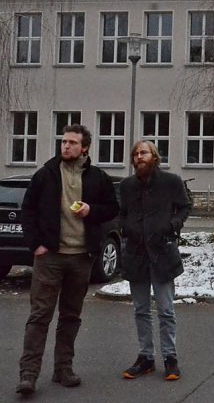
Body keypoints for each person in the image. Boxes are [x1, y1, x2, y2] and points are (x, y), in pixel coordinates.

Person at [16, 124, 118, 396]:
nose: (66, 146)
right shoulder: (46, 174)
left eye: (73, 142)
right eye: (63, 142)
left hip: (81, 258)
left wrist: (91, 210)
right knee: (39, 316)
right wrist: (35, 245)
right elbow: (28, 210)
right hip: (49, 256)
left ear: (84, 147)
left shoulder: (98, 177)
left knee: (71, 316)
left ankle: (63, 369)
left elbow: (112, 208)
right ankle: (28, 375)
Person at [119, 140, 191, 382]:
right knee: (140, 310)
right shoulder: (127, 185)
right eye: (136, 153)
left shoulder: (171, 182)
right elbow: (122, 213)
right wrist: (125, 227)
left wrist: (172, 225)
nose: (140, 156)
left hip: (162, 252)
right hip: (136, 254)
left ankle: (170, 358)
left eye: (144, 152)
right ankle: (145, 357)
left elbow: (184, 207)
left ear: (154, 156)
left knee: (166, 309)